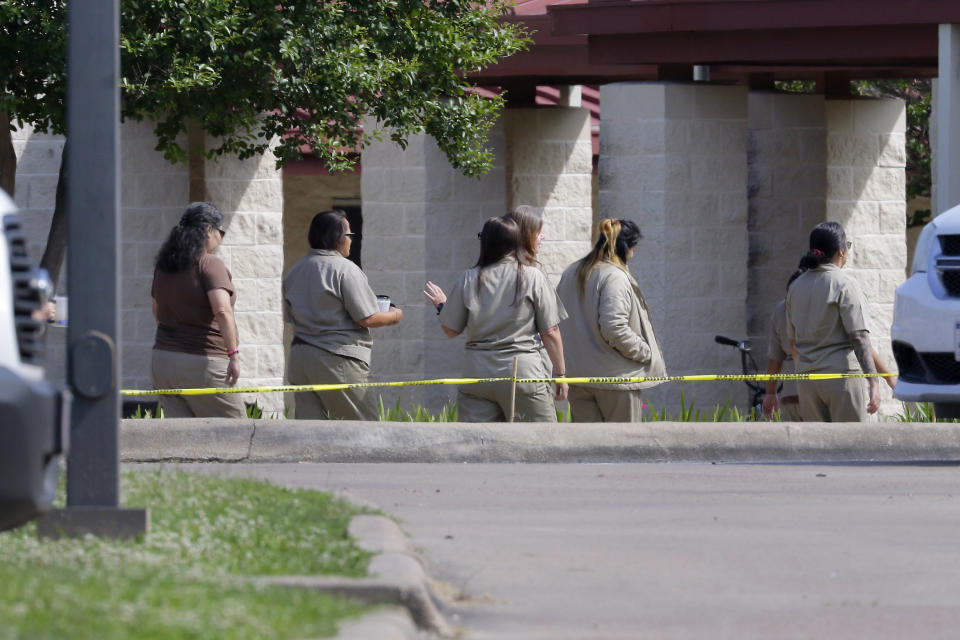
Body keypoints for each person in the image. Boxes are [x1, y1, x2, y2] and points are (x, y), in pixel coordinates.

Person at [424, 216, 568, 421]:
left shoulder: (469, 277)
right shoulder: (533, 276)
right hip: (523, 373)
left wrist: (442, 306)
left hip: (477, 374)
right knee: (543, 442)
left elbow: (451, 330)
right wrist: (561, 375)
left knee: (475, 445)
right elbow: (550, 331)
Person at [283, 210, 402, 420]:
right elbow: (367, 318)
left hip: (300, 359)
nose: (351, 241)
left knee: (310, 433)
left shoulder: (296, 270)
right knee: (365, 429)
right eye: (349, 235)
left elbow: (288, 316)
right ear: (336, 237)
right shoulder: (345, 270)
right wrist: (395, 315)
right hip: (337, 358)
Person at [555, 218, 666, 422]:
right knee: (624, 448)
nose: (634, 253)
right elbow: (613, 327)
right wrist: (645, 352)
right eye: (634, 247)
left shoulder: (571, 272)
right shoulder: (614, 276)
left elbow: (558, 321)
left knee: (588, 448)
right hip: (615, 379)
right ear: (626, 247)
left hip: (578, 375)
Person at [764, 266, 898, 420]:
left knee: (806, 441)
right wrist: (888, 378)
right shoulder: (828, 302)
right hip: (836, 383)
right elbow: (860, 342)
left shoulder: (782, 309)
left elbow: (775, 357)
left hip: (795, 389)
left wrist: (770, 392)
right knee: (846, 439)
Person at [151, 202, 245, 418]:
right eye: (220, 231)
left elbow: (157, 311)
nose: (221, 237)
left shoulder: (164, 266)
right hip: (202, 363)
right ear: (207, 230)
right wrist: (233, 355)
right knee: (238, 432)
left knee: (184, 441)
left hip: (162, 362)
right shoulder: (210, 264)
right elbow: (222, 311)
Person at [785, 221, 881, 421]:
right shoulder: (845, 284)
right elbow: (859, 337)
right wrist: (874, 382)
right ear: (841, 251)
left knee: (818, 449)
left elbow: (792, 339)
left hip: (807, 380)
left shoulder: (795, 286)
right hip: (840, 378)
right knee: (850, 447)